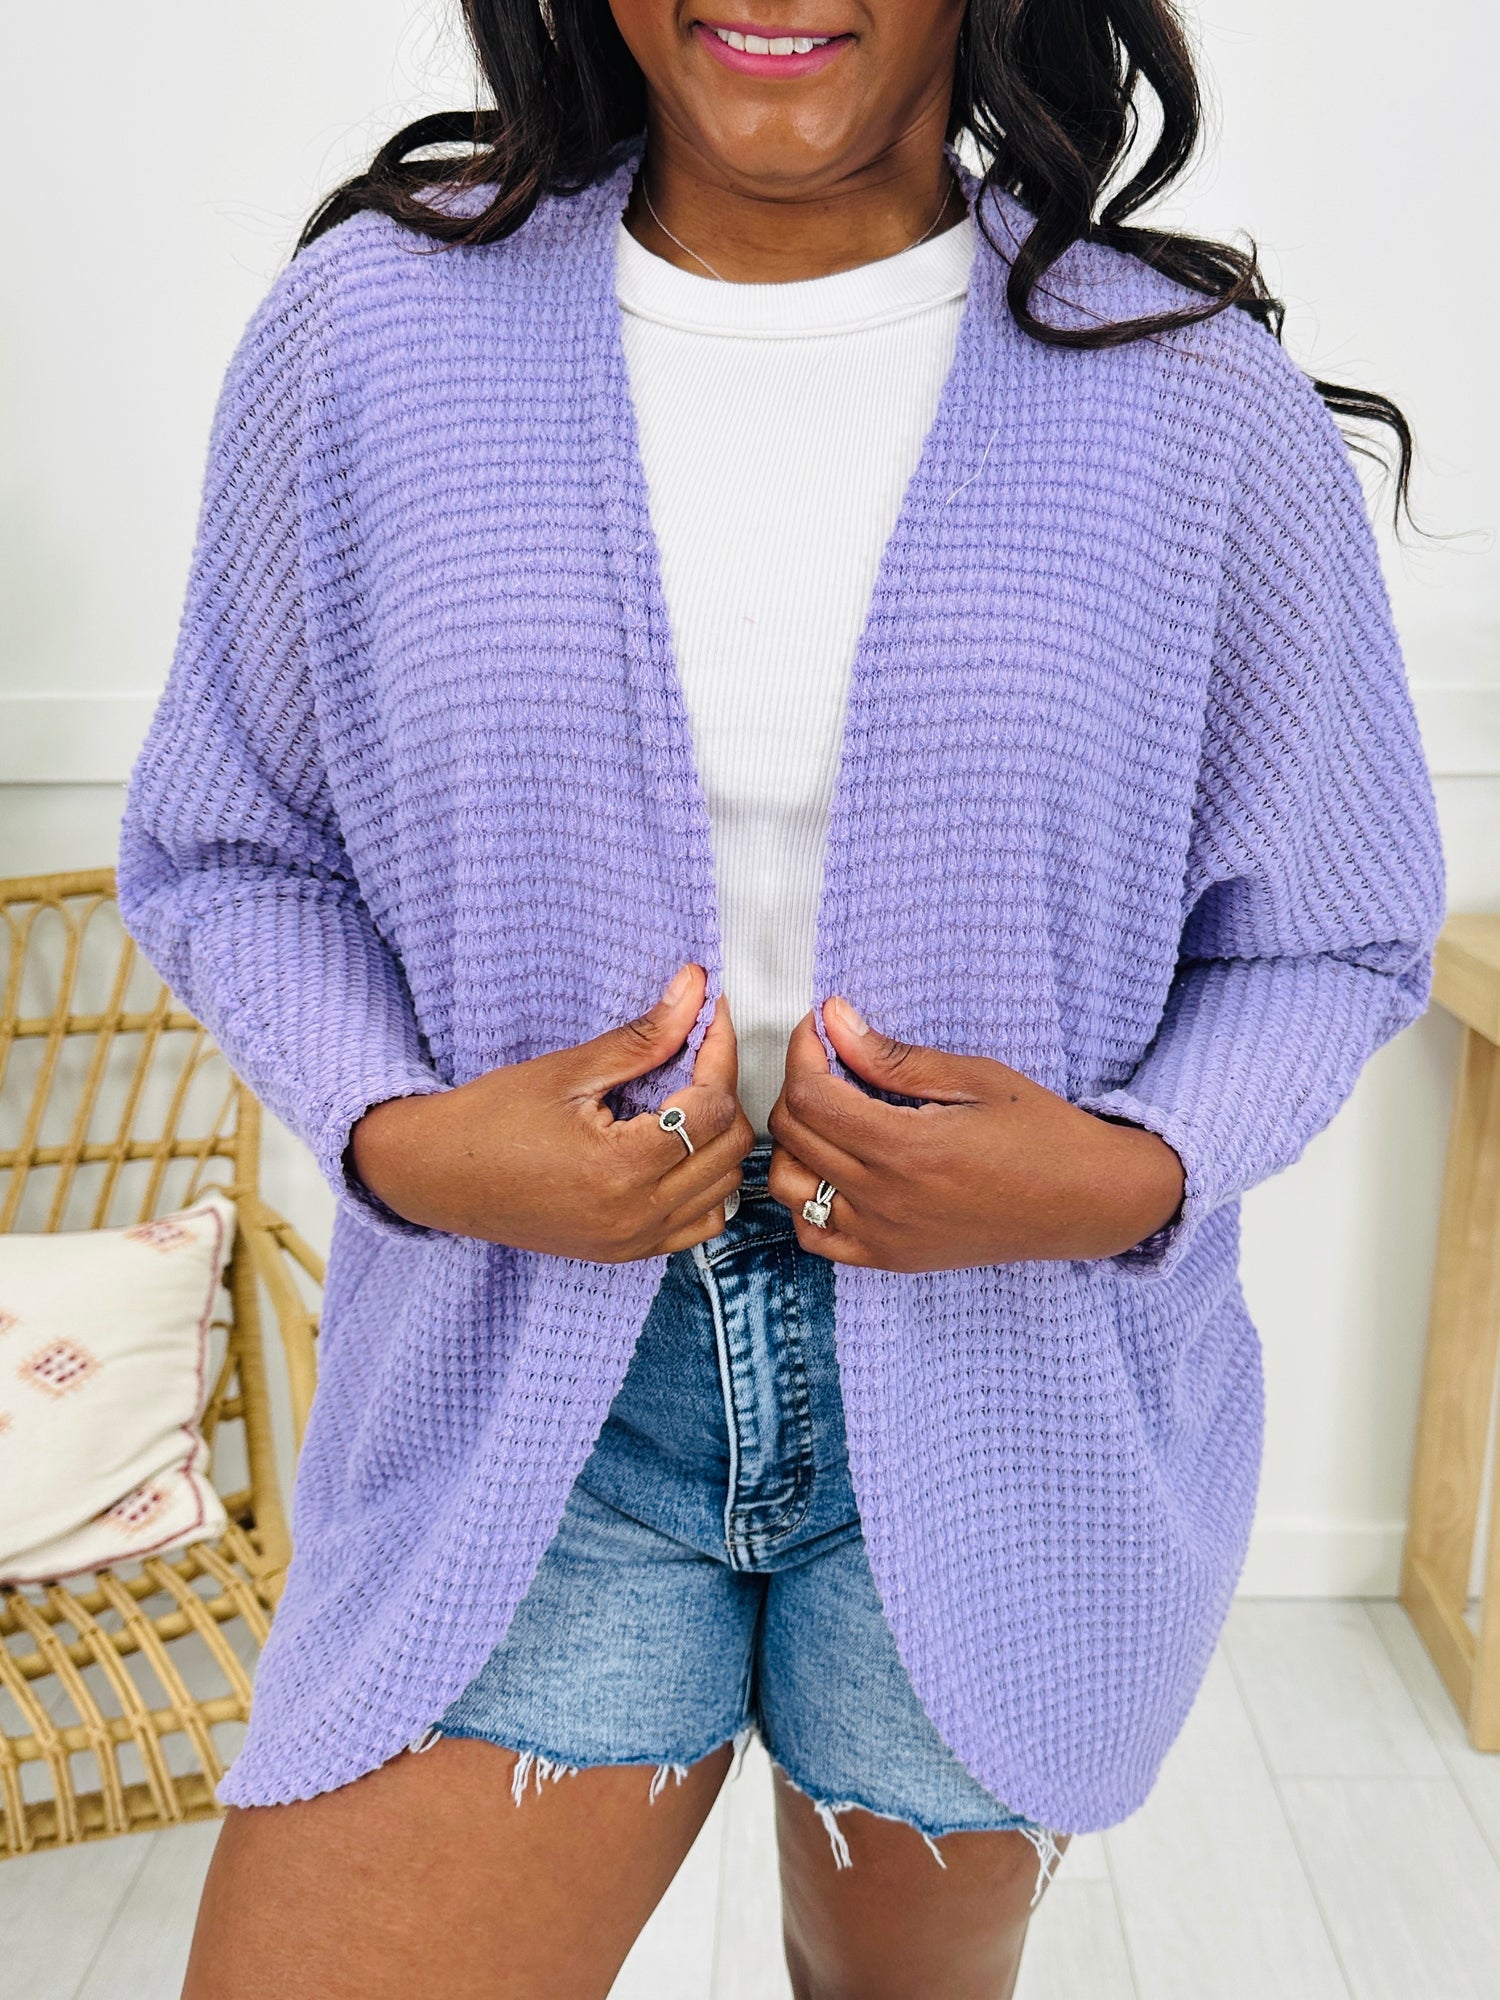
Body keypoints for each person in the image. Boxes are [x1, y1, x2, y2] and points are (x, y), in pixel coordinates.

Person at [117, 2, 1444, 1994]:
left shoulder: (1189, 398)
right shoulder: (371, 336)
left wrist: (1124, 1174)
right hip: (524, 1395)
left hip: (1012, 1403)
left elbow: (1331, 933)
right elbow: (230, 851)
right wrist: (405, 1140)